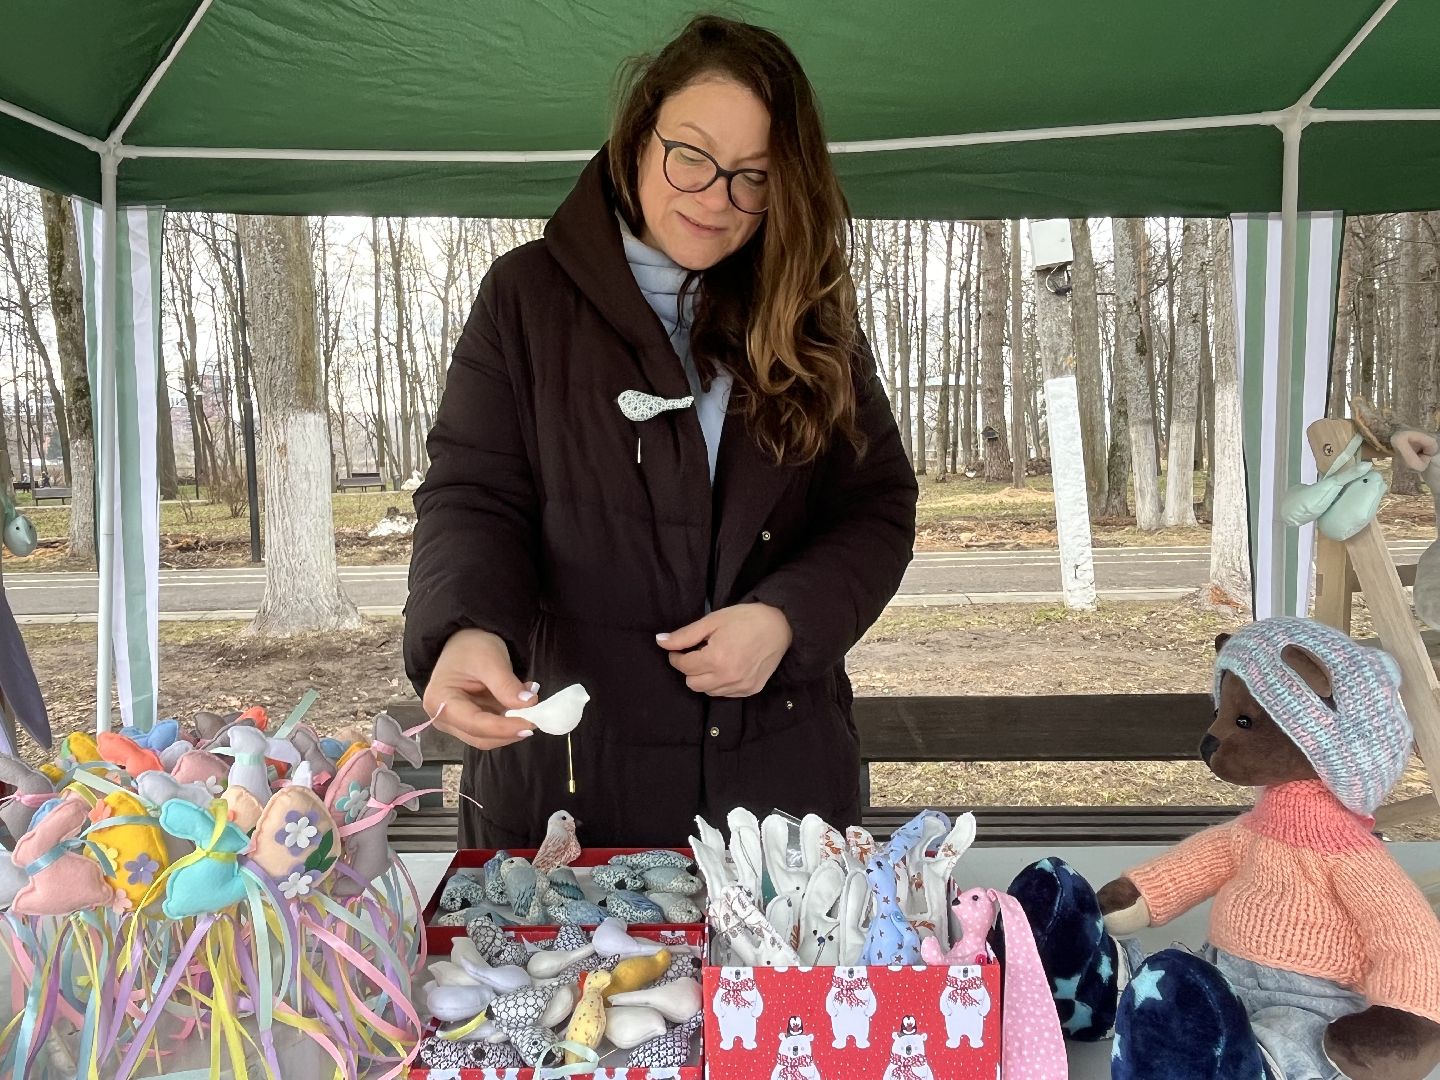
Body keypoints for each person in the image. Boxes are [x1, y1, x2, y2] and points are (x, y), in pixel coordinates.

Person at [404, 15, 917, 848]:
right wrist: (464, 628)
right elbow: (475, 497)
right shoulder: (525, 300)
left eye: (753, 176)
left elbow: (878, 505)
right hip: (568, 787)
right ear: (638, 136)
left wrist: (787, 621)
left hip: (777, 794)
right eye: (692, 156)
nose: (717, 198)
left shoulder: (809, 313)